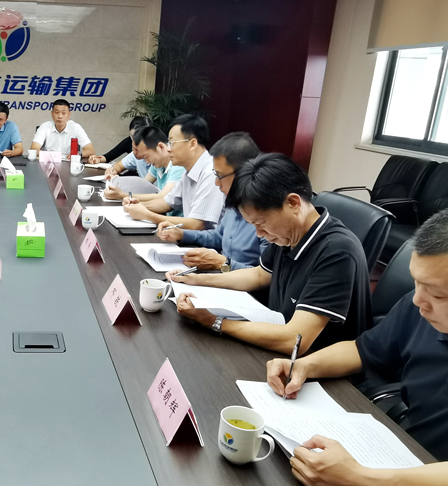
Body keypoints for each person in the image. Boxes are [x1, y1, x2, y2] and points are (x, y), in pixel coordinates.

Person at [267, 209, 448, 484]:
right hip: (406, 451)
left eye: (438, 294)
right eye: (416, 282)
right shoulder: (420, 309)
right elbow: (362, 349)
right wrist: (304, 365)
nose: (418, 300)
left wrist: (362, 478)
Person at [171, 153, 371, 354]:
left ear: (293, 203)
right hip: (277, 343)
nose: (259, 233)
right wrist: (196, 280)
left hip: (315, 363)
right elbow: (259, 275)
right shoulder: (288, 233)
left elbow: (295, 340)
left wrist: (214, 321)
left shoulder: (337, 251)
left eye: (261, 223)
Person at [157, 132, 267, 271]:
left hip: (240, 283)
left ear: (243, 172)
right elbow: (218, 236)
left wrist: (222, 263)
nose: (216, 183)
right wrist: (182, 234)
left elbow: (265, 276)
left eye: (220, 176)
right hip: (222, 276)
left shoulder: (267, 215)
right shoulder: (233, 203)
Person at [123, 115, 223, 231]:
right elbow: (166, 203)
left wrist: (147, 215)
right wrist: (136, 206)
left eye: (172, 143)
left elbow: (197, 224)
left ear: (192, 144)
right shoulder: (188, 172)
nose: (169, 149)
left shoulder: (211, 173)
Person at [102, 126, 184, 203]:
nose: (147, 162)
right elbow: (142, 187)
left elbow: (163, 197)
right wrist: (116, 180)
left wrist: (123, 195)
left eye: (146, 156)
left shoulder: (178, 165)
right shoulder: (158, 165)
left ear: (161, 147)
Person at [31, 99, 95, 158]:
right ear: (52, 114)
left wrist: (78, 154)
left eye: (64, 113)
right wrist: (52, 156)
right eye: (57, 112)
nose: (60, 116)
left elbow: (90, 150)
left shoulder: (76, 128)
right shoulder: (44, 127)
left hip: (69, 163)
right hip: (48, 162)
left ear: (69, 115)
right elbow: (34, 149)